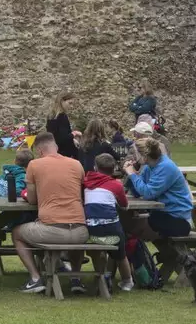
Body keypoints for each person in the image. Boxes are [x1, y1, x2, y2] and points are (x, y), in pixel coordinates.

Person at [12, 133, 88, 293]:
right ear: (57, 147)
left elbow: (32, 200)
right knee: (74, 238)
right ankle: (76, 278)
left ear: (39, 151)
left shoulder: (34, 165)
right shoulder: (76, 164)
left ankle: (35, 278)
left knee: (17, 233)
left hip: (52, 229)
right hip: (81, 231)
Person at [125, 135, 194, 238]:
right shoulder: (150, 167)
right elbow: (137, 192)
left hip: (178, 220)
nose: (134, 157)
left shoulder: (165, 167)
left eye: (136, 154)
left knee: (135, 226)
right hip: (163, 215)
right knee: (129, 222)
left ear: (144, 156)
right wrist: (132, 173)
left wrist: (133, 175)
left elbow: (148, 194)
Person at [85, 153, 135, 291]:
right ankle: (127, 281)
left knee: (98, 248)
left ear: (95, 167)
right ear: (113, 169)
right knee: (121, 254)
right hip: (112, 231)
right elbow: (124, 205)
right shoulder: (116, 185)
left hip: (92, 232)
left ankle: (101, 275)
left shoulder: (86, 184)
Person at [46, 93, 78, 161]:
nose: (72, 106)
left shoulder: (51, 116)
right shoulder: (62, 117)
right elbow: (63, 138)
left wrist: (73, 139)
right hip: (64, 154)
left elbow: (55, 135)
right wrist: (74, 134)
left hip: (54, 151)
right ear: (62, 101)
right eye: (70, 103)